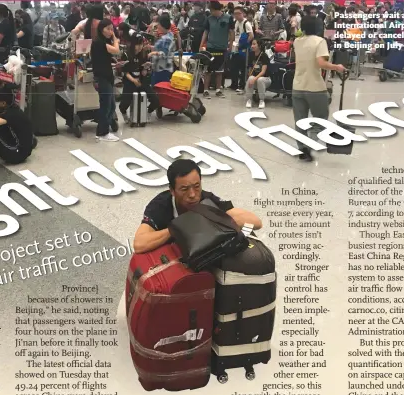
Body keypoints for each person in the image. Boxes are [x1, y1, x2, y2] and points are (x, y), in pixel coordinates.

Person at [133, 159, 263, 254]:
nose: (192, 194)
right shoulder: (160, 205)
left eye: (197, 186)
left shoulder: (207, 199)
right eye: (184, 189)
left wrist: (214, 219)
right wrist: (178, 228)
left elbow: (256, 222)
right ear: (172, 190)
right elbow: (139, 244)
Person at [291, 15, 346, 162]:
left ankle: (302, 150)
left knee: (300, 121)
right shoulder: (320, 41)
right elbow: (321, 63)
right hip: (315, 87)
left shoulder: (297, 41)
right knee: (320, 120)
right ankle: (309, 148)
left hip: (297, 86)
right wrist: (337, 67)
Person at [91, 19, 120, 142]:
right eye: (108, 29)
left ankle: (104, 130)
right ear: (101, 29)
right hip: (102, 77)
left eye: (112, 29)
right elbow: (116, 50)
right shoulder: (98, 42)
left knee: (111, 105)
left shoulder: (102, 42)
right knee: (106, 105)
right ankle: (102, 133)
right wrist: (115, 39)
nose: (110, 31)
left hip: (107, 76)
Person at [119, 32, 158, 123]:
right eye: (137, 44)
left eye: (141, 44)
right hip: (130, 81)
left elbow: (144, 71)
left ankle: (148, 112)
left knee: (155, 100)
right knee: (125, 103)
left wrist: (145, 69)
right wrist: (133, 80)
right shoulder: (126, 54)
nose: (140, 47)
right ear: (133, 44)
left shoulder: (143, 54)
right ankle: (124, 113)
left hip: (141, 80)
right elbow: (125, 72)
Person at [200, 1, 234, 99]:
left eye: (211, 10)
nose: (211, 12)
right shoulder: (209, 19)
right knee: (208, 70)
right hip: (210, 47)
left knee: (220, 70)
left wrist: (230, 45)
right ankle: (205, 90)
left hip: (222, 48)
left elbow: (231, 32)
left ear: (216, 9)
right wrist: (201, 44)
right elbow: (206, 32)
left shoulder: (228, 18)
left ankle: (218, 90)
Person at [230, 6, 253, 93]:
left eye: (238, 13)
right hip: (235, 47)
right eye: (235, 14)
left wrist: (244, 44)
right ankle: (234, 84)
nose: (236, 15)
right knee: (234, 66)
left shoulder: (246, 23)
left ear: (243, 14)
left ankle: (242, 85)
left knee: (243, 67)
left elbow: (251, 36)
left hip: (243, 49)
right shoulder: (235, 22)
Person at [149, 14, 175, 85]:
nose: (157, 26)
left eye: (158, 24)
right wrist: (151, 47)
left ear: (162, 25)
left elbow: (164, 54)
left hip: (162, 68)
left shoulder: (167, 39)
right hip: (164, 67)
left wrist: (152, 53)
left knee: (159, 88)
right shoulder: (169, 34)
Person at [245, 39, 270, 109]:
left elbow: (263, 72)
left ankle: (261, 100)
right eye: (252, 44)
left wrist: (254, 79)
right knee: (250, 78)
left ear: (259, 46)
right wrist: (250, 78)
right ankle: (249, 100)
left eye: (254, 44)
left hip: (266, 79)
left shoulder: (264, 56)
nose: (252, 46)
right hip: (255, 79)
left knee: (260, 79)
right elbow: (250, 69)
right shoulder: (251, 55)